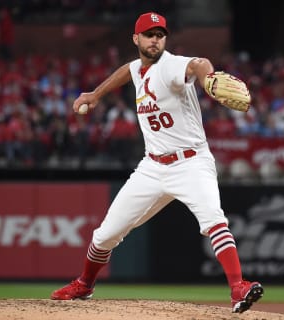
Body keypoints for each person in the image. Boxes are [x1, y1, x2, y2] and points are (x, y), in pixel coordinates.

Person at [50, 12, 264, 313]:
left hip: (191, 162)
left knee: (214, 220)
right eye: (149, 34)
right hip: (152, 167)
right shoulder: (138, 68)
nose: (155, 40)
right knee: (105, 235)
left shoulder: (172, 65)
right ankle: (85, 284)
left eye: (160, 34)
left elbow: (199, 64)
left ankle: (237, 288)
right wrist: (96, 94)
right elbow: (128, 70)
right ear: (136, 39)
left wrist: (208, 78)